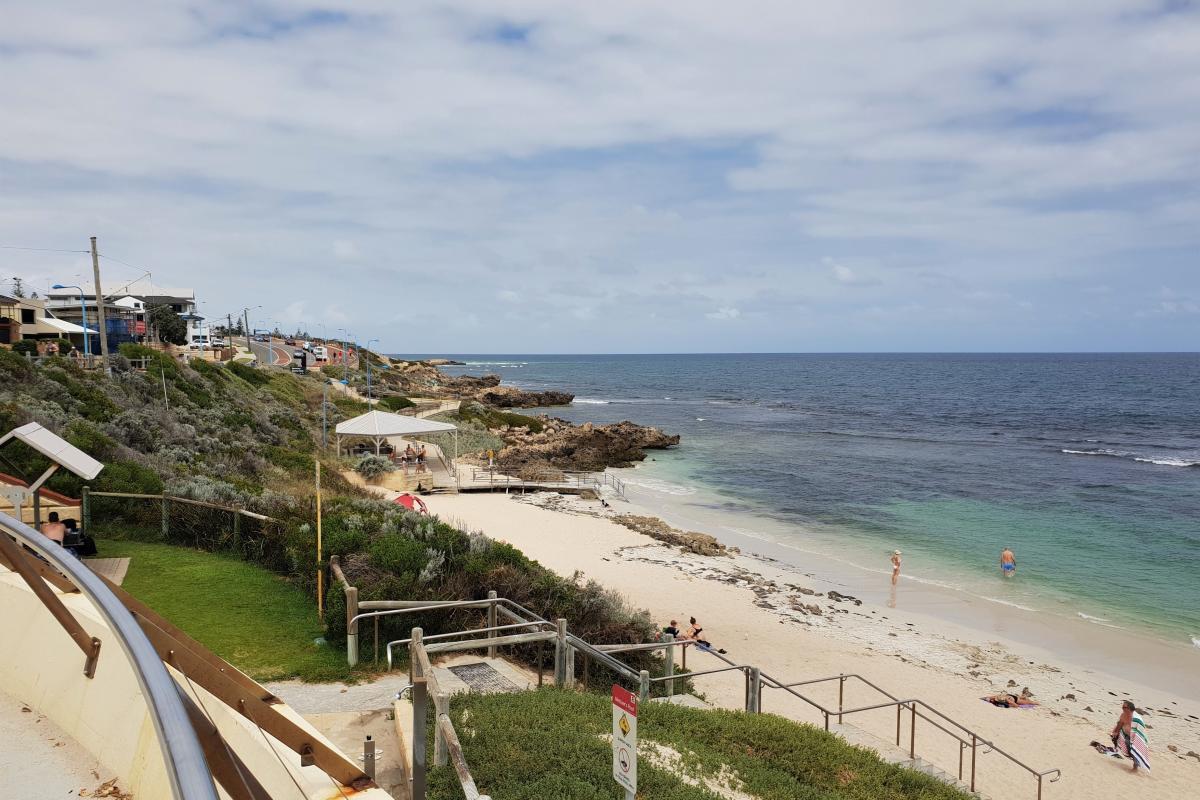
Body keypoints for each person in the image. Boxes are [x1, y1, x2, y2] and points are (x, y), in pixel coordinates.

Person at [1107, 700, 1151, 772]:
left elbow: (1141, 731)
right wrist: (1116, 732)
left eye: (1124, 707)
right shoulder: (1123, 715)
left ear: (1130, 709)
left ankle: (1135, 767)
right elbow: (1120, 724)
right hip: (1126, 735)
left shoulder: (1137, 719)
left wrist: (1135, 739)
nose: (1122, 708)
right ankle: (1135, 762)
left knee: (1134, 749)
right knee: (1128, 750)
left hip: (1136, 738)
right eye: (1122, 707)